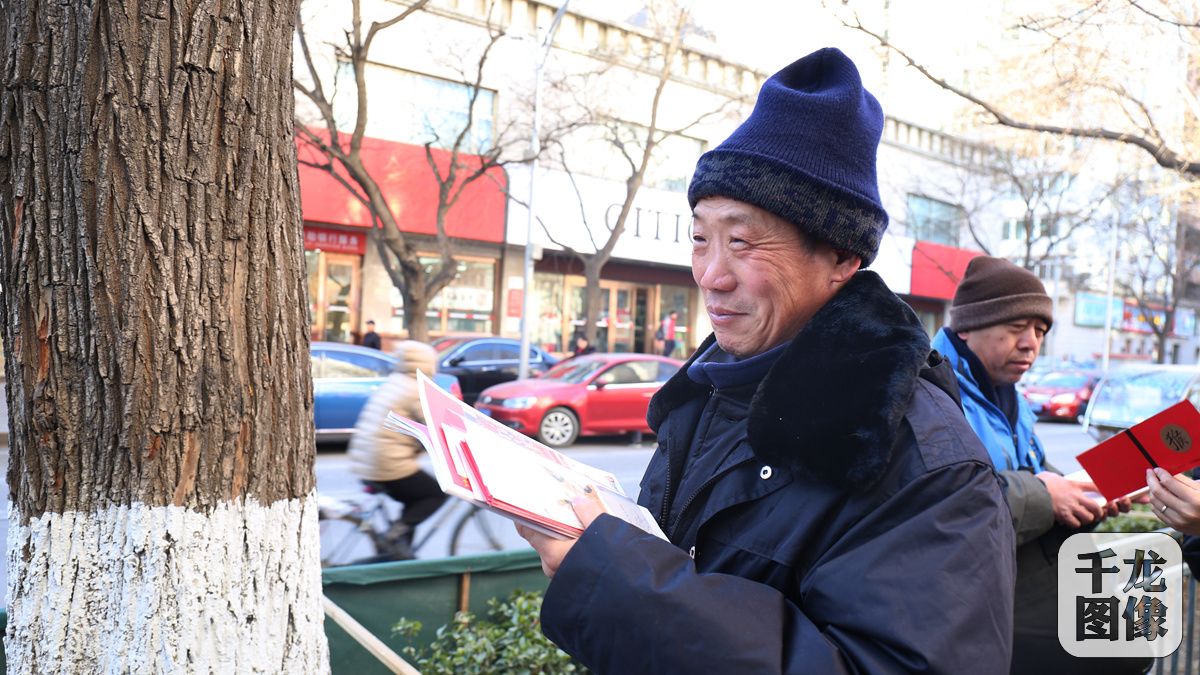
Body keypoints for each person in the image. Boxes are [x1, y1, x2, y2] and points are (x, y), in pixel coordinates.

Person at [516, 47, 1016, 674]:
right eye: (700, 239)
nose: (711, 276)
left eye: (744, 242)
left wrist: (621, 584)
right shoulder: (709, 395)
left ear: (841, 259)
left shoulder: (924, 463)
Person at [930, 256, 1145, 674]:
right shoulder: (931, 395)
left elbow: (1039, 479)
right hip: (962, 600)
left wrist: (1085, 499)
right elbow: (940, 504)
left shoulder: (1012, 399)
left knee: (1137, 637)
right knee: (1125, 646)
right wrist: (1049, 497)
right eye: (1016, 328)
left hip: (1015, 574)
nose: (1031, 343)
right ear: (967, 327)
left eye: (1041, 331)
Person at [346, 341, 447, 557]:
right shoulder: (415, 390)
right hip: (387, 463)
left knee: (412, 499)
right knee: (433, 495)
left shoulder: (395, 381)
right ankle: (395, 536)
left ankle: (400, 551)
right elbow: (433, 429)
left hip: (367, 460)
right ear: (428, 365)